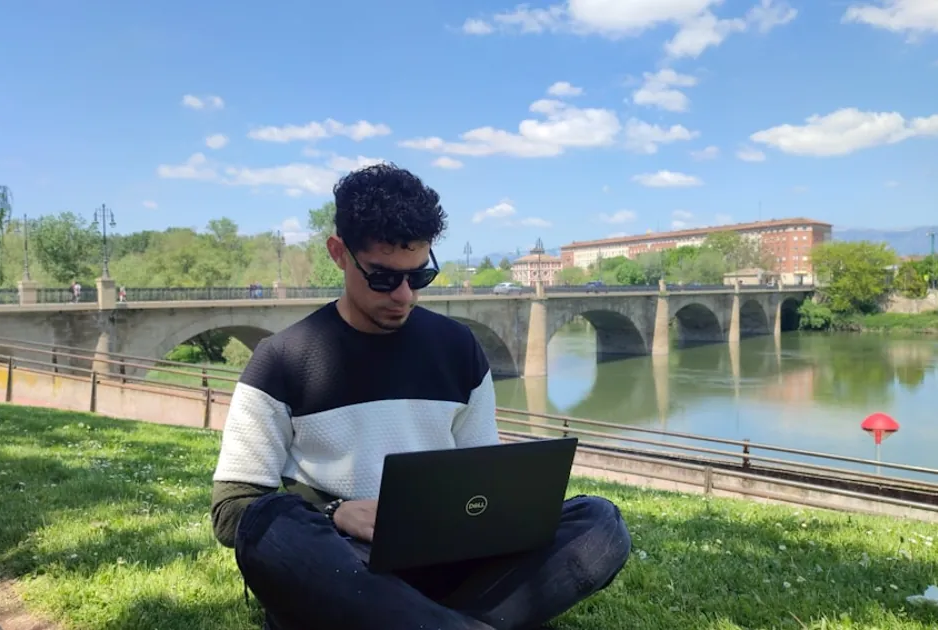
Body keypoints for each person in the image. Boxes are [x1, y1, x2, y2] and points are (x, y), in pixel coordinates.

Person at [210, 163, 632, 630]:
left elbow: (483, 481)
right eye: (384, 278)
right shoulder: (280, 359)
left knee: (599, 522)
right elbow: (232, 511)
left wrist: (500, 512)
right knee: (269, 525)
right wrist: (335, 512)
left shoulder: (459, 349)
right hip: (345, 562)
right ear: (338, 253)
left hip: (449, 560)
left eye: (420, 277)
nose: (405, 296)